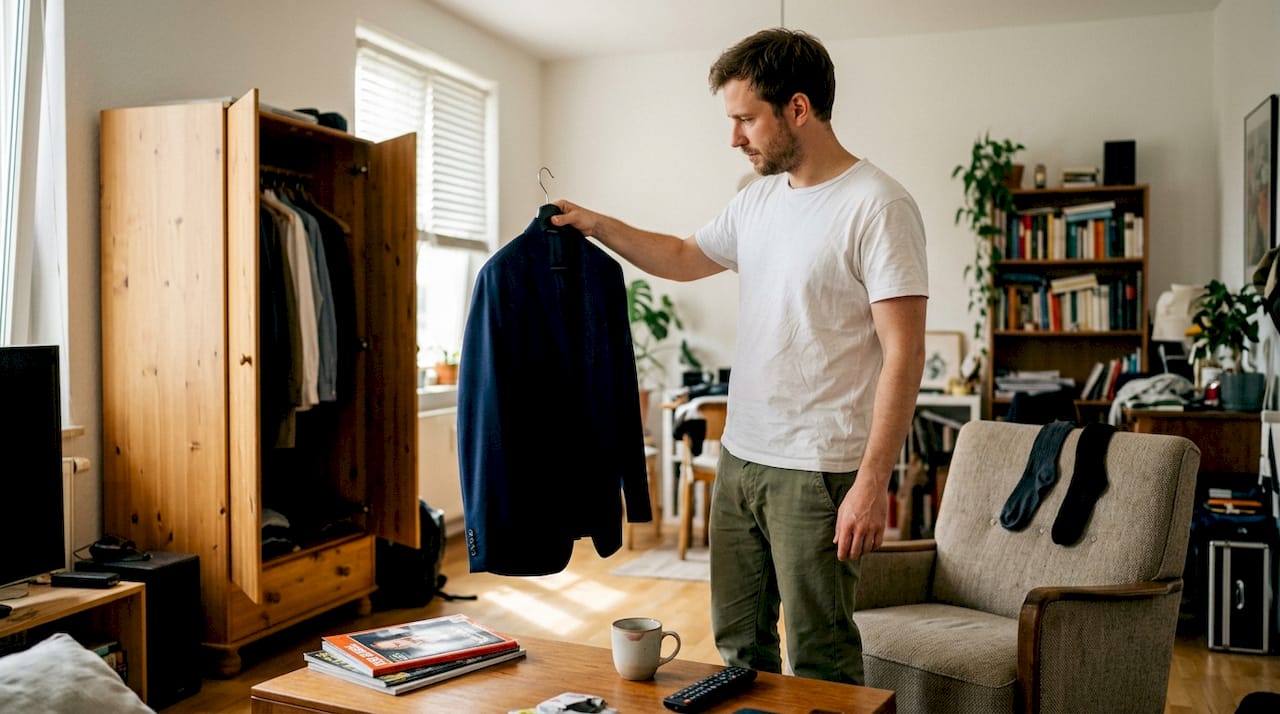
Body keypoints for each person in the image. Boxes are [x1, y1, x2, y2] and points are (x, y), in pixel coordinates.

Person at [551, 28, 927, 684]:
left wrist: (872, 483)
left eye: (746, 119)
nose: (735, 137)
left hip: (818, 471)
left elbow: (905, 353)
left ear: (798, 109)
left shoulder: (879, 205)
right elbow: (680, 255)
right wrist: (596, 223)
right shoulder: (754, 203)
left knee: (819, 657)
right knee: (738, 649)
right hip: (742, 460)